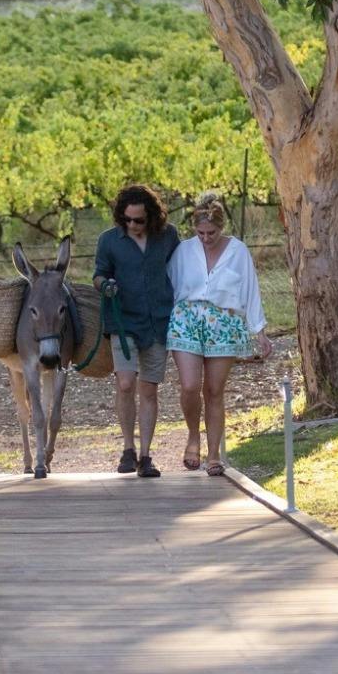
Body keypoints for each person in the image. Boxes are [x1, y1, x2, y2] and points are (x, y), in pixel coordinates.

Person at [167, 191, 273, 476]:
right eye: (200, 232)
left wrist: (259, 332)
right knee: (190, 385)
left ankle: (214, 454)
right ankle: (192, 436)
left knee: (214, 391)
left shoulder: (237, 251)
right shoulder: (183, 251)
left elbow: (250, 290)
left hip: (224, 324)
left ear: (221, 227)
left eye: (211, 232)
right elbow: (170, 287)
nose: (205, 237)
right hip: (187, 320)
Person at [92, 184, 180, 478]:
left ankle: (146, 455)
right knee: (126, 383)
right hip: (123, 320)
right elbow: (98, 273)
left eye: (138, 220)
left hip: (157, 320)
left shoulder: (168, 237)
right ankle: (127, 449)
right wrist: (105, 285)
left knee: (149, 389)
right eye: (127, 219)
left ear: (151, 216)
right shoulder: (109, 241)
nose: (132, 225)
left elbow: (178, 269)